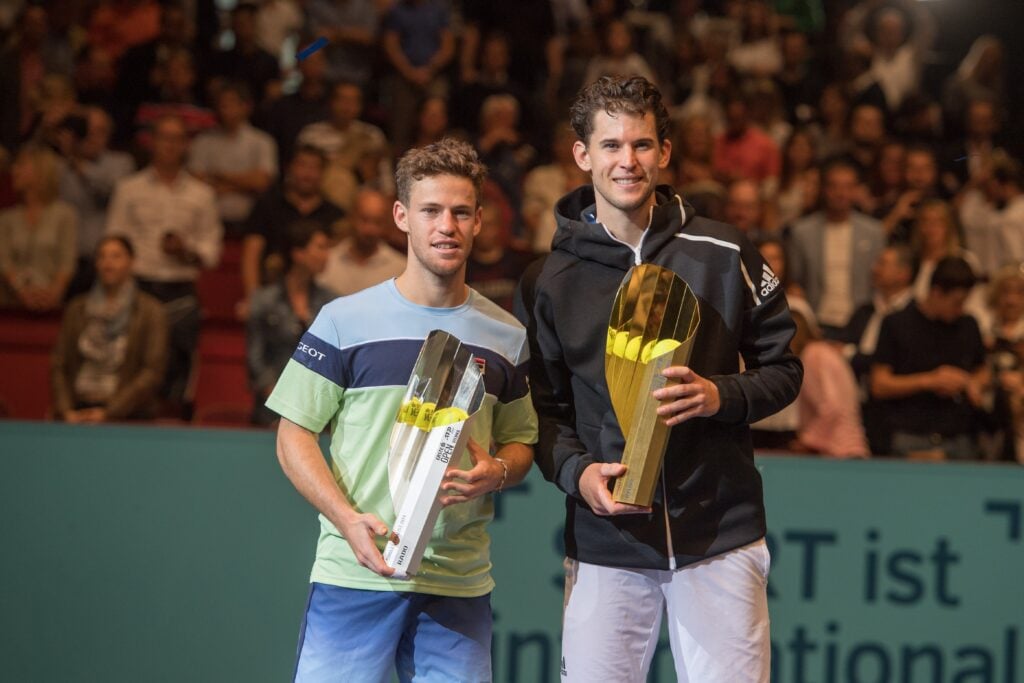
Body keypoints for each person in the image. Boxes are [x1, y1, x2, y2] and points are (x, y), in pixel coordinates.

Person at [515, 76, 801, 682]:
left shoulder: (724, 252)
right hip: (606, 543)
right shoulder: (548, 280)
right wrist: (577, 473)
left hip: (721, 537)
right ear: (582, 154)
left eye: (642, 144)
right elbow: (543, 412)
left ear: (664, 152)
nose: (628, 160)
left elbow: (785, 369)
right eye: (611, 145)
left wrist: (719, 394)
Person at [267, 137, 538, 681]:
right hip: (355, 575)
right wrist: (346, 520)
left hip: (458, 585)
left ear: (479, 221)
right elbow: (292, 435)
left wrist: (499, 471)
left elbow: (522, 443)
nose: (447, 226)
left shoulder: (507, 336)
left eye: (461, 212)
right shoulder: (342, 321)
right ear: (401, 217)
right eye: (431, 211)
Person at [106, 114, 223, 415]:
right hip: (138, 287)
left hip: (180, 289)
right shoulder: (129, 189)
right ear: (152, 142)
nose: (169, 145)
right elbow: (114, 240)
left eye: (177, 139)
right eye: (164, 137)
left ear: (186, 145)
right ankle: (125, 415)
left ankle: (174, 421)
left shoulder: (202, 194)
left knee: (179, 364)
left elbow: (211, 252)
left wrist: (186, 250)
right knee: (130, 359)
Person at [871, 256, 988, 460]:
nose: (960, 309)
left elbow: (982, 369)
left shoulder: (969, 325)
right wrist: (930, 380)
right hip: (910, 435)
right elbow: (879, 384)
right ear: (936, 292)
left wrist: (972, 383)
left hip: (960, 437)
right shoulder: (896, 324)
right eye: (956, 302)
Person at [51, 235, 167, 423]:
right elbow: (59, 364)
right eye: (102, 256)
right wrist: (66, 410)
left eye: (116, 256)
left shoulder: (151, 311)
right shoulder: (77, 308)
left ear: (132, 262)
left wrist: (110, 412)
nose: (108, 263)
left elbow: (152, 372)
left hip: (127, 414)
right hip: (78, 408)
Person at [247, 220, 334, 426]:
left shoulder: (331, 303)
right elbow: (255, 358)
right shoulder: (264, 301)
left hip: (317, 410)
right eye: (320, 247)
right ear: (298, 253)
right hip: (270, 408)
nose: (327, 255)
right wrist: (278, 399)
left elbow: (333, 360)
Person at [787, 158, 886, 334]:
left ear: (856, 190)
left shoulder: (874, 232)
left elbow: (880, 281)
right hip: (816, 320)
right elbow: (795, 278)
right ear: (824, 190)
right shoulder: (802, 232)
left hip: (861, 321)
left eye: (848, 187)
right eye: (834, 186)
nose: (841, 193)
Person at [0, 145, 77, 311]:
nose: (14, 170)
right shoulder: (6, 218)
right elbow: (4, 262)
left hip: (51, 305)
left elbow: (67, 263)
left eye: (21, 165)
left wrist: (54, 293)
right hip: (11, 307)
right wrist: (22, 291)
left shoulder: (65, 215)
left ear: (41, 170)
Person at [316, 187, 405, 296]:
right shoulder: (327, 262)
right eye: (364, 220)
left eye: (377, 222)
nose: (370, 230)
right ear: (351, 218)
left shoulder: (400, 270)